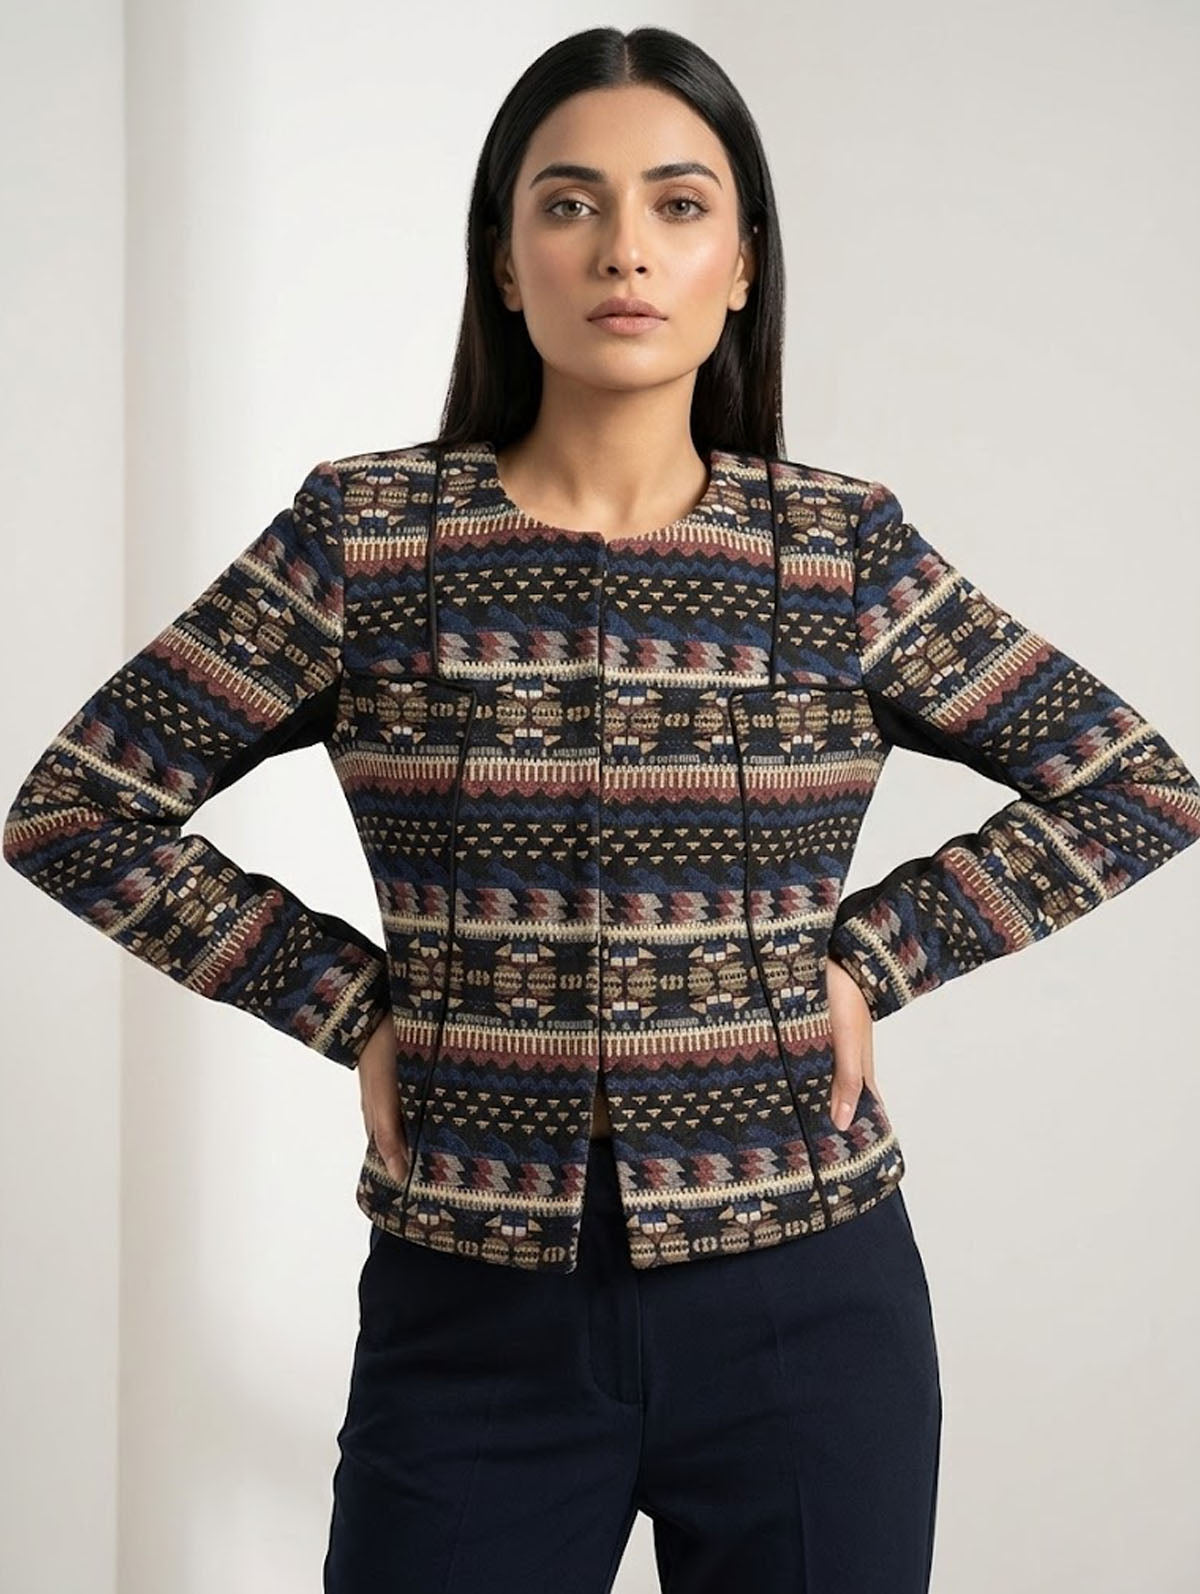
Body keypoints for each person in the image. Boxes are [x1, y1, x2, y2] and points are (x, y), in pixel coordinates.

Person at [5, 24, 1198, 1594]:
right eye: (568, 204)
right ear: (506, 261)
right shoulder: (370, 540)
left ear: (743, 262)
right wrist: (354, 1004)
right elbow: (77, 809)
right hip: (471, 1313)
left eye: (678, 204)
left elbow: (1134, 782)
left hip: (808, 1307)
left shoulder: (835, 552)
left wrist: (875, 957)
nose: (624, 248)